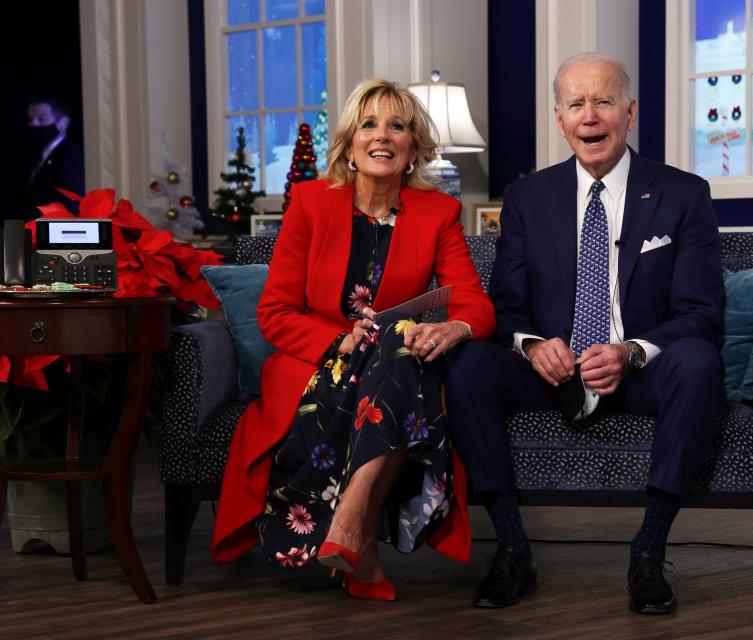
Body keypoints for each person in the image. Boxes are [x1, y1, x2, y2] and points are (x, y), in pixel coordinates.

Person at [445, 52, 724, 614]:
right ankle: (512, 548)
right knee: (468, 363)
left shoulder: (683, 193)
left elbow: (702, 312)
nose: (589, 117)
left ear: (630, 112)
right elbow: (505, 305)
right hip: (552, 371)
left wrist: (630, 352)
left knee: (698, 361)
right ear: (559, 118)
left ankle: (648, 550)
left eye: (603, 102)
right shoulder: (528, 198)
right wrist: (531, 345)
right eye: (576, 104)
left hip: (638, 373)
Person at [212, 79, 495, 601]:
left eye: (397, 125)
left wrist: (453, 327)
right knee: (402, 361)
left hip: (394, 366)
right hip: (314, 363)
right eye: (368, 124)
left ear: (414, 147)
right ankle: (358, 542)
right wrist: (336, 340)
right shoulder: (311, 203)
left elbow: (476, 305)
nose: (381, 136)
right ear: (349, 141)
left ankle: (349, 525)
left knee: (402, 346)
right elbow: (274, 313)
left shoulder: (438, 214)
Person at [15, 97, 84, 219]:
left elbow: (67, 209)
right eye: (31, 120)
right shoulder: (36, 154)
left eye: (41, 119)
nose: (34, 124)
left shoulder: (70, 158)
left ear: (63, 123)